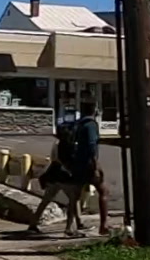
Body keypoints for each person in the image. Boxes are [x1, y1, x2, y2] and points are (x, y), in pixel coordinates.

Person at [36, 98, 106, 240]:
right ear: (95, 110)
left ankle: (71, 226)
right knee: (103, 192)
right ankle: (103, 226)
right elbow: (92, 146)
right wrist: (96, 165)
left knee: (74, 198)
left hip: (74, 167)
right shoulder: (91, 125)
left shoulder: (77, 125)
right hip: (84, 166)